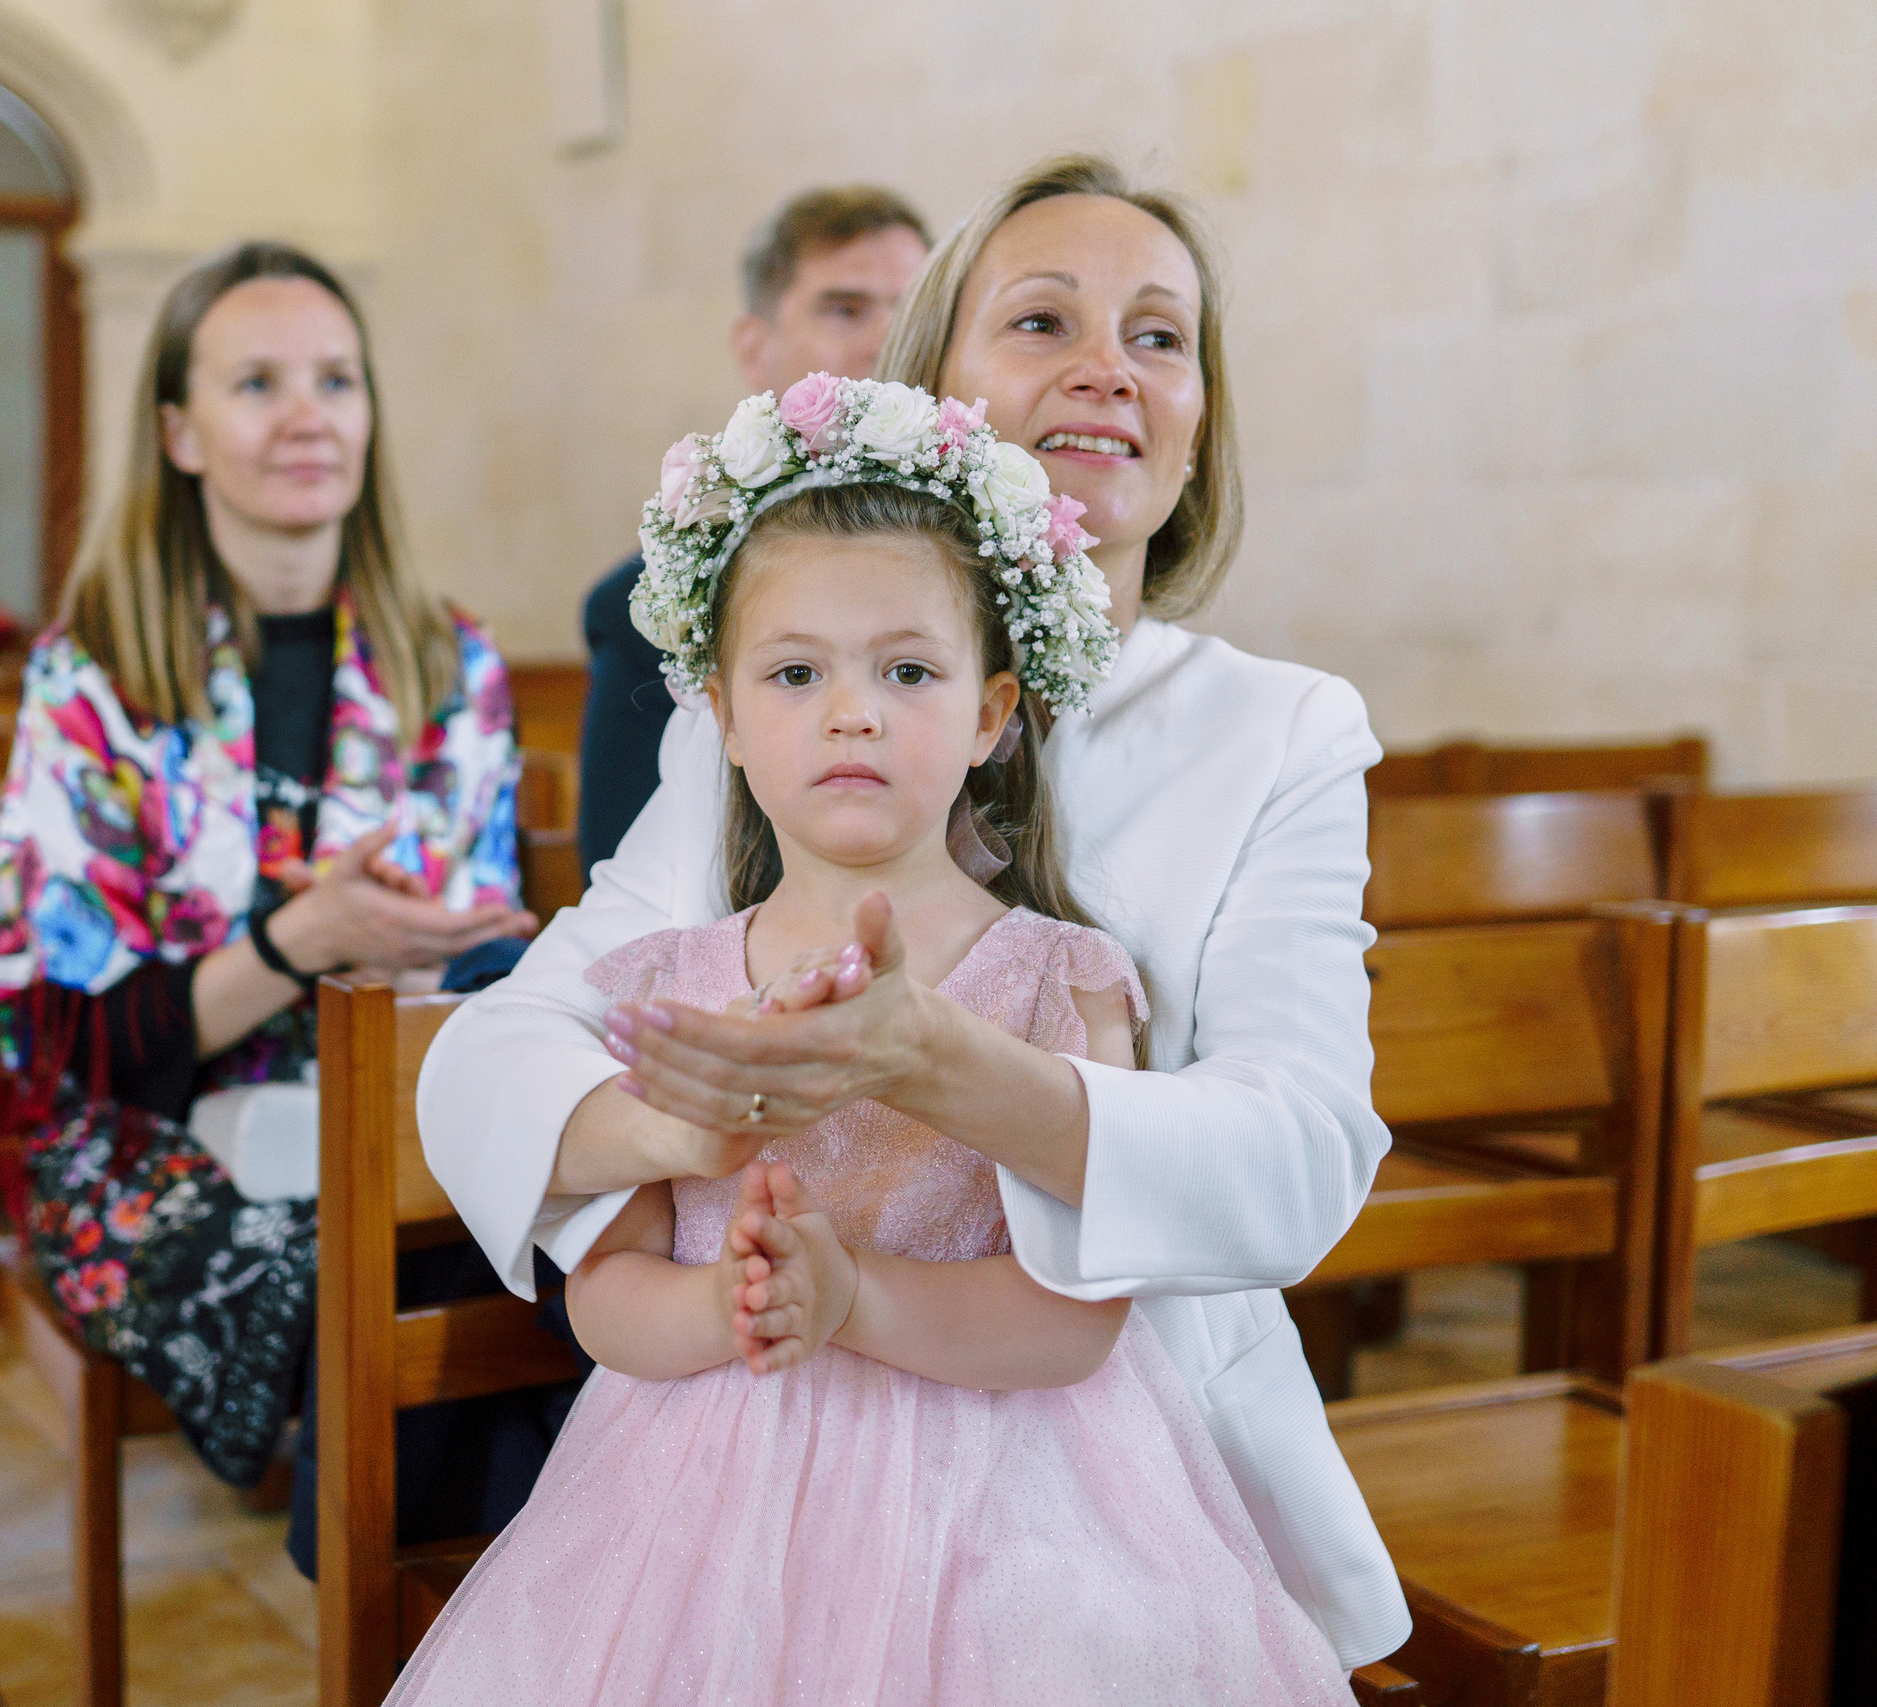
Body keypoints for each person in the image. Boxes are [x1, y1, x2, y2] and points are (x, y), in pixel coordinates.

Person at [417, 155, 1415, 1670]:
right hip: (759, 1436)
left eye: (1160, 335)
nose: (1107, 366)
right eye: (1041, 321)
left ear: (1203, 418)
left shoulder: (1280, 730)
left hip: (1135, 1461)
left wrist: (944, 1065)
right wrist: (680, 1125)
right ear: (936, 387)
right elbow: (504, 1046)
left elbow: (1301, 1152)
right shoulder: (769, 712)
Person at [0, 241, 554, 1570]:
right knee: (359, 1298)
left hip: (389, 1120)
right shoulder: (97, 675)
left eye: (337, 379)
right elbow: (63, 1042)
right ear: (178, 431)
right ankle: (422, 1610)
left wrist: (444, 952)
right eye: (259, 382)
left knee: (562, 1268)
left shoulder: (445, 656)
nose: (309, 413)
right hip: (136, 1141)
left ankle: (476, 1609)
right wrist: (307, 939)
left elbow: (488, 948)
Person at [576, 186, 931, 872]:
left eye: (911, 312)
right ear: (753, 345)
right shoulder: (650, 612)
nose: (888, 340)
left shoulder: (999, 570)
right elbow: (625, 869)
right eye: (845, 308)